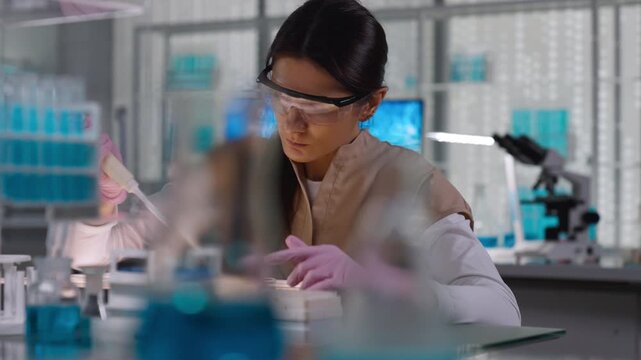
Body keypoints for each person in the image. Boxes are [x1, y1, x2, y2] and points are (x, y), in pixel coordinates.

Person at [65, 0, 520, 326]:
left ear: (369, 104)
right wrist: (98, 206)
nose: (293, 124)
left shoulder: (410, 183)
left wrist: (374, 283)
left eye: (318, 108)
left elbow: (500, 308)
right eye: (281, 100)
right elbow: (89, 263)